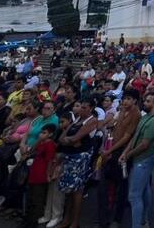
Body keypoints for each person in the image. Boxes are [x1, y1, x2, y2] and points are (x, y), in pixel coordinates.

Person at [97, 88, 141, 228]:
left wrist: (110, 149)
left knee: (122, 187)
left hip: (122, 153)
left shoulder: (136, 114)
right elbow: (115, 129)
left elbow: (127, 137)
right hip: (112, 149)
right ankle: (104, 217)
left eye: (129, 99)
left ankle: (117, 218)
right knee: (105, 185)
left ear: (134, 100)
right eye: (124, 98)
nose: (125, 101)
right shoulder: (122, 110)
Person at [122, 93, 154, 228]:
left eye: (148, 101)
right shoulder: (145, 117)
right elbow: (135, 138)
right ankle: (144, 221)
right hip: (139, 159)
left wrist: (128, 155)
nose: (144, 103)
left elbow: (144, 144)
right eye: (144, 100)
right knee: (144, 191)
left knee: (134, 196)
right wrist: (125, 152)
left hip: (144, 161)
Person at [57, 97, 98, 228]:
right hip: (70, 156)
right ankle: (66, 219)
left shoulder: (92, 121)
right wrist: (72, 140)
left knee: (77, 191)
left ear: (91, 109)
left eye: (85, 107)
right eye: (81, 107)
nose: (81, 109)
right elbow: (62, 138)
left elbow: (76, 138)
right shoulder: (77, 120)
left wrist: (72, 140)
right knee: (69, 191)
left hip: (81, 159)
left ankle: (74, 222)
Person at [23, 124, 57, 228]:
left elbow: (50, 160)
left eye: (44, 133)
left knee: (38, 199)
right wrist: (38, 140)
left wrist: (48, 175)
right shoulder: (41, 143)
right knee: (30, 197)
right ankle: (28, 220)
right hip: (34, 172)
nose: (41, 134)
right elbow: (31, 150)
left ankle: (33, 222)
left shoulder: (50, 144)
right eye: (41, 132)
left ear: (50, 134)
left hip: (41, 174)